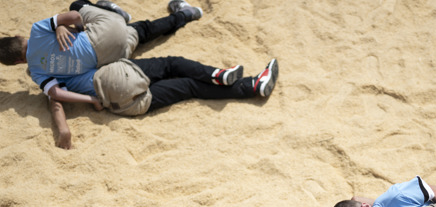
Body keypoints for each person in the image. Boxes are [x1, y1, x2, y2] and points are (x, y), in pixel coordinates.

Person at [48, 57, 279, 148]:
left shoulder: (47, 80)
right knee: (171, 65)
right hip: (120, 77)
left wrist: (64, 130)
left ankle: (251, 87)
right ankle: (219, 75)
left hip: (128, 106)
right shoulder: (61, 58)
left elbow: (55, 101)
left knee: (188, 87)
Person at [0, 0, 203, 97]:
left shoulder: (38, 73)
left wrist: (90, 99)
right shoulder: (37, 30)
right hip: (105, 32)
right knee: (77, 5)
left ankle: (185, 15)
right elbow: (76, 17)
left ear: (18, 62)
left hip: (112, 61)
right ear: (19, 36)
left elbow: (57, 94)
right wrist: (67, 28)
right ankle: (113, 10)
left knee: (141, 31)